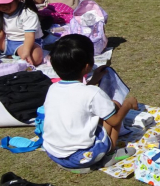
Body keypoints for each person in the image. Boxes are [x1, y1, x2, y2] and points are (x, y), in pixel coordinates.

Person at [42, 34, 138, 170]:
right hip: (83, 157)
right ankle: (110, 154)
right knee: (114, 108)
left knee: (101, 112)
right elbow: (115, 121)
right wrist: (127, 104)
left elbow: (76, 96)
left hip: (54, 153)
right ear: (87, 66)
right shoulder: (94, 93)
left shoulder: (53, 88)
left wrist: (93, 81)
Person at [0, 0, 43, 66]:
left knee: (34, 57)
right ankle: (11, 54)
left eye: (7, 3)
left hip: (25, 42)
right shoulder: (1, 13)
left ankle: (16, 55)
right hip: (7, 41)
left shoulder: (27, 14)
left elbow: (29, 35)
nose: (4, 7)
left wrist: (26, 52)